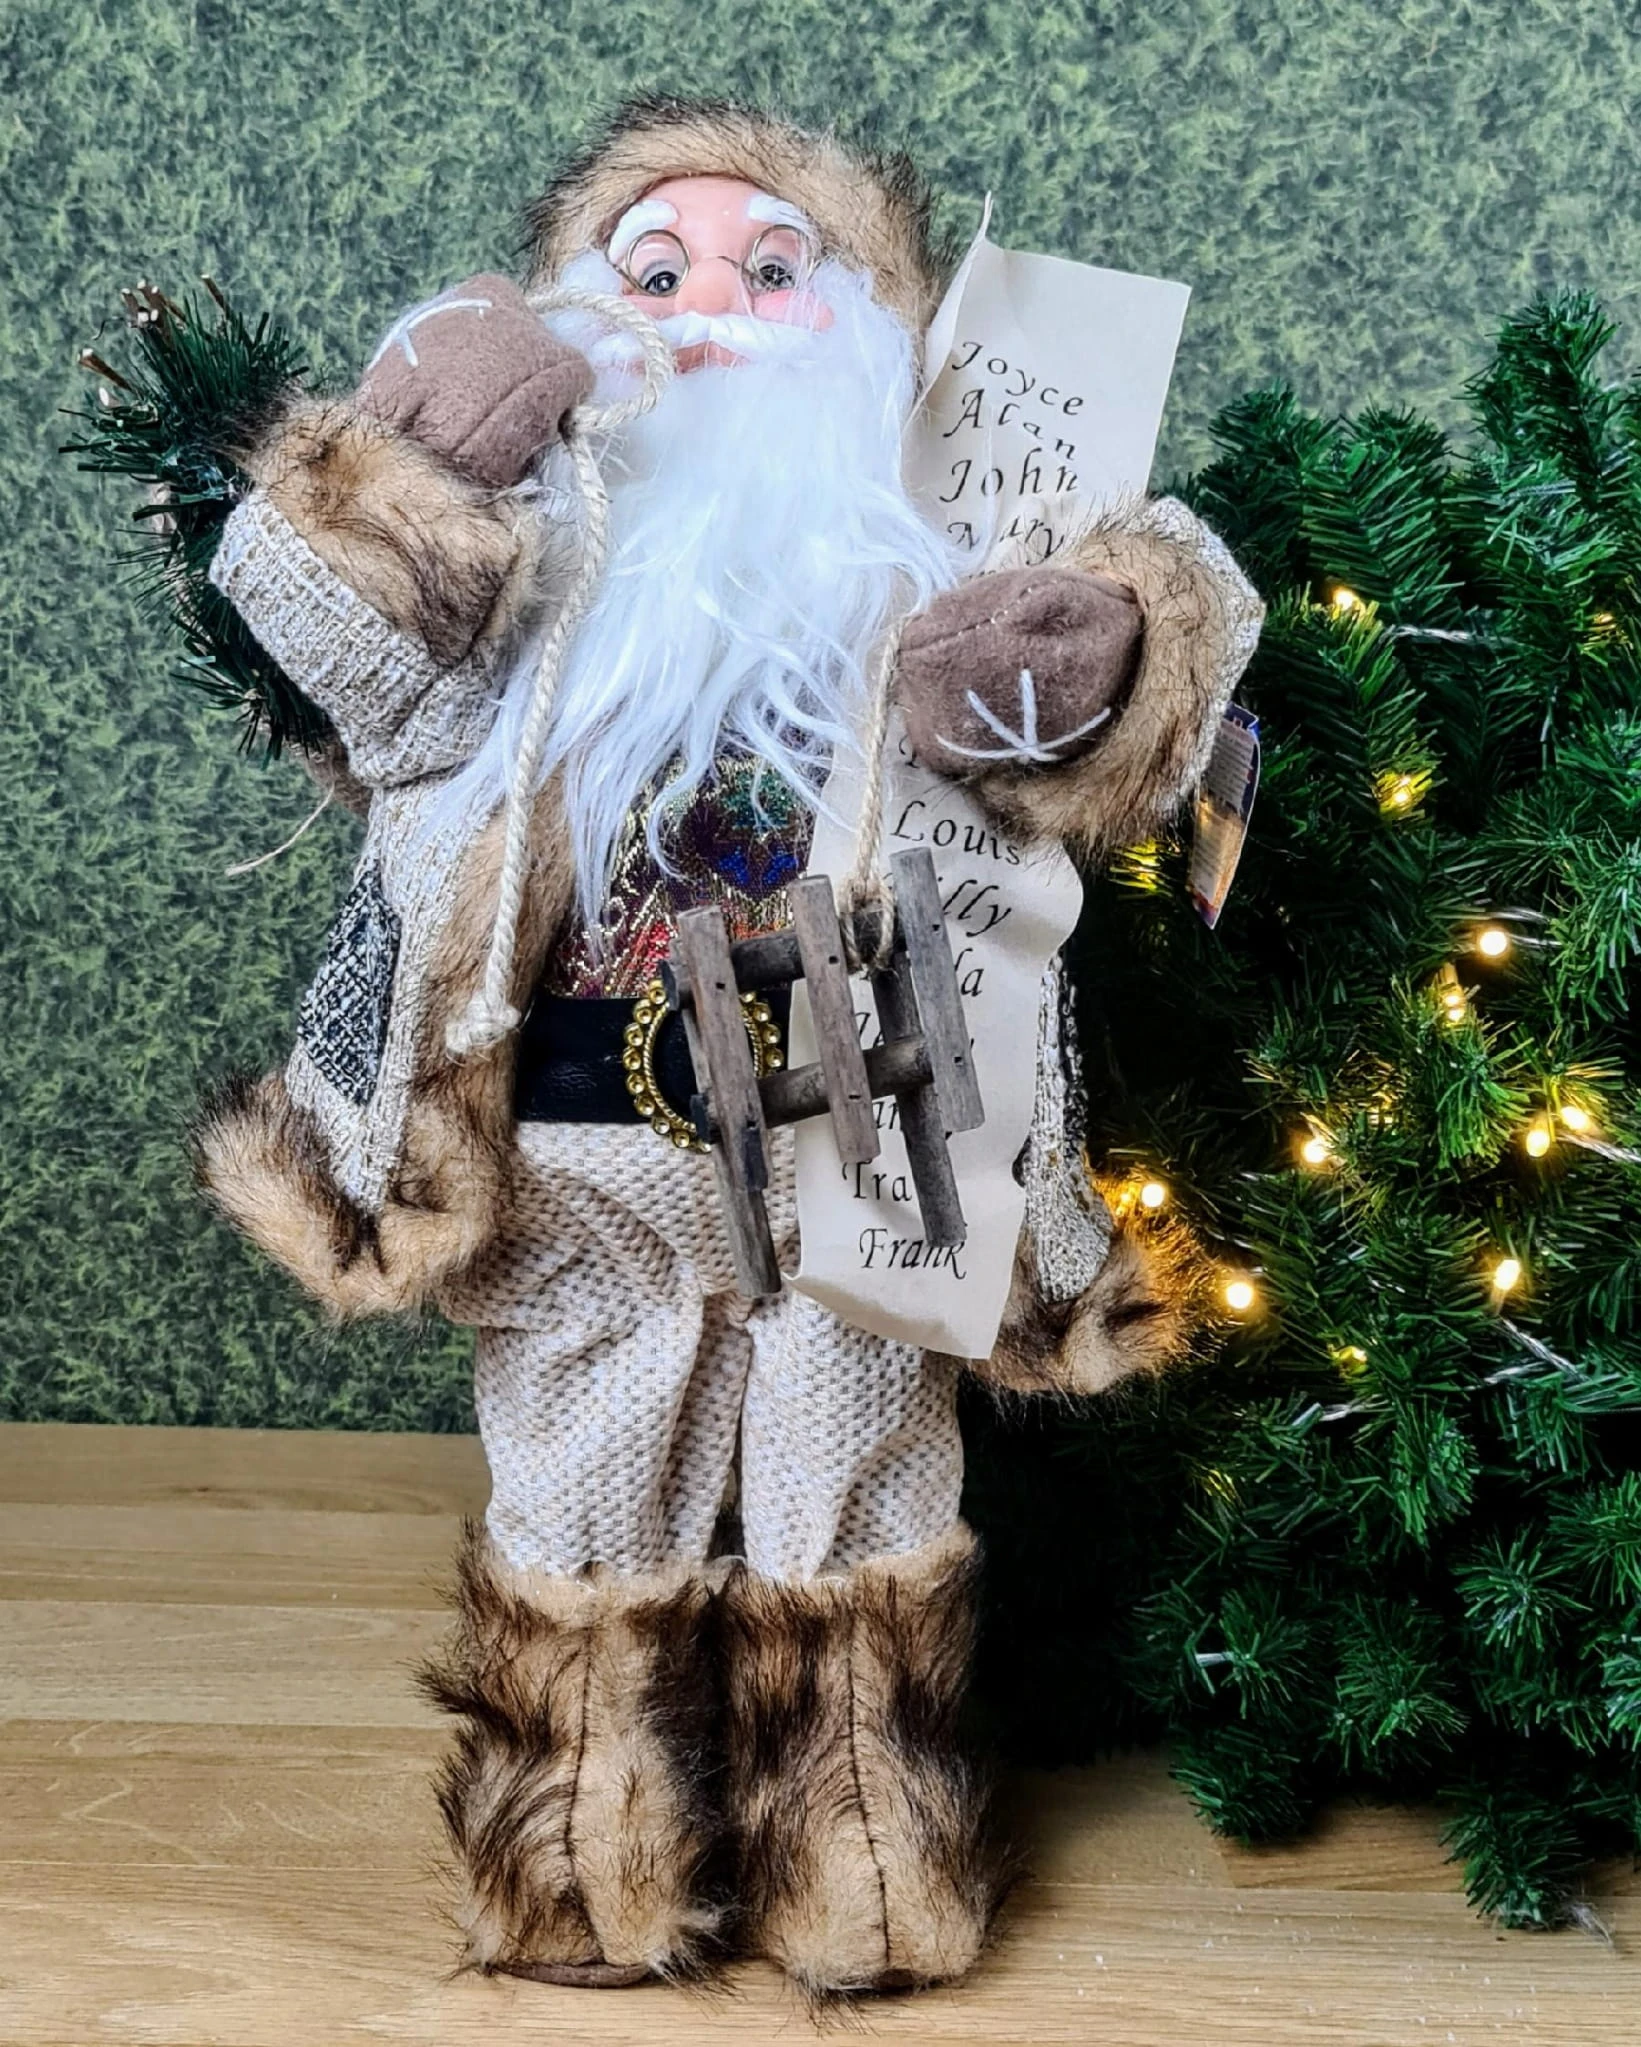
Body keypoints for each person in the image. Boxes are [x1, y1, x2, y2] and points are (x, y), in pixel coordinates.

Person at [197, 97, 1261, 1996]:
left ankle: (864, 1854)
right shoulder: (517, 577)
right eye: (655, 265)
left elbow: (1161, 681)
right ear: (565, 312)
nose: (708, 305)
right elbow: (338, 662)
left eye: (774, 268)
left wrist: (1103, 648)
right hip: (575, 1142)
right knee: (583, 1467)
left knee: (858, 1467)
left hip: (862, 1131)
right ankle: (576, 1856)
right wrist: (408, 468)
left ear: (870, 322)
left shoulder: (930, 562)